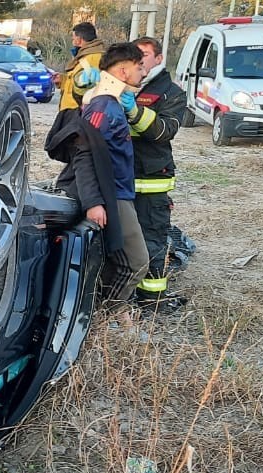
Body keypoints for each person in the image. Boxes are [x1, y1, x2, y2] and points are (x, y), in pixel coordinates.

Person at [45, 42, 150, 306]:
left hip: (117, 192)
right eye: (140, 67)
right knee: (137, 262)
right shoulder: (104, 108)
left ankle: (112, 311)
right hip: (109, 195)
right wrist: (93, 203)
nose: (143, 73)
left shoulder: (111, 103)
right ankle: (110, 312)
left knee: (113, 258)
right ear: (124, 71)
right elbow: (83, 153)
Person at [126, 36, 188, 312]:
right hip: (120, 177)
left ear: (159, 59)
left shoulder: (171, 93)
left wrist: (133, 111)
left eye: (144, 55)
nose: (138, 60)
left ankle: (151, 300)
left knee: (151, 240)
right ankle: (120, 295)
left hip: (151, 179)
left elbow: (164, 131)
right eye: (134, 55)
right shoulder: (124, 84)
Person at [55, 22, 105, 112]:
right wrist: (62, 80)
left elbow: (89, 87)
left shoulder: (93, 57)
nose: (72, 41)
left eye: (73, 38)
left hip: (77, 111)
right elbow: (78, 82)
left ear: (79, 39)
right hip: (71, 110)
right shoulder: (84, 56)